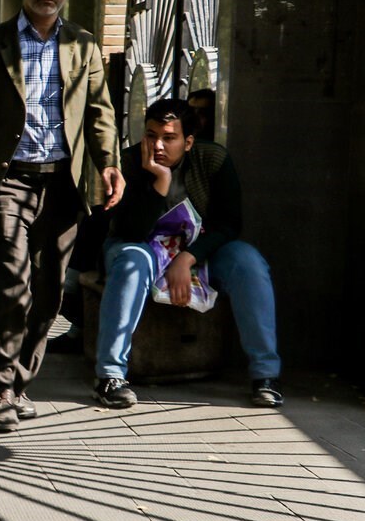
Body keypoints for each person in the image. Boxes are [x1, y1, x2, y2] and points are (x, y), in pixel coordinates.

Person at [0, 0, 125, 432]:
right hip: (8, 179)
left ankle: (21, 382)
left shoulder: (83, 47)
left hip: (64, 183)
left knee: (48, 294)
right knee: (12, 284)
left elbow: (100, 113)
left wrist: (109, 164)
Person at [93, 97, 283, 409]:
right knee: (132, 262)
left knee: (248, 262)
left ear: (188, 141)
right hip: (139, 247)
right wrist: (160, 183)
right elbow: (129, 231)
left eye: (169, 138)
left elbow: (229, 224)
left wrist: (188, 257)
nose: (157, 146)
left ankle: (266, 376)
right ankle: (110, 375)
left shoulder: (213, 160)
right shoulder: (129, 163)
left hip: (199, 251)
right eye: (151, 135)